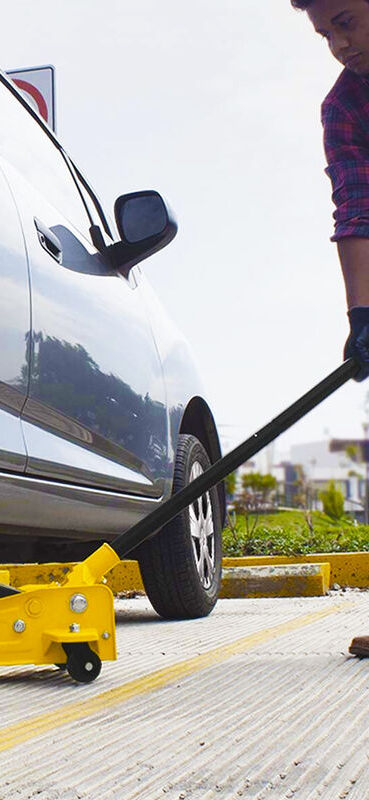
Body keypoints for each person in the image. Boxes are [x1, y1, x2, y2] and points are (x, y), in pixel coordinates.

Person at [292, 0, 369, 658]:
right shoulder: (345, 108)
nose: (339, 44)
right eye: (325, 33)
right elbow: (356, 202)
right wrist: (361, 315)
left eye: (346, 20)